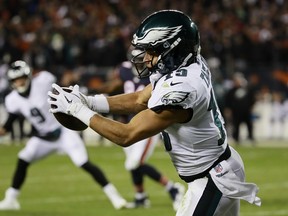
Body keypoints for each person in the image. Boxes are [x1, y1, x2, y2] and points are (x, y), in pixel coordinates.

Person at [48, 10, 261, 216]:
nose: (146, 57)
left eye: (153, 50)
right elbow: (139, 99)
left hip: (212, 179)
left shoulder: (183, 86)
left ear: (173, 48)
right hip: (221, 164)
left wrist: (77, 109)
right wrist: (90, 101)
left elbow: (127, 135)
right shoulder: (186, 63)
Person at [0, 60, 127, 211]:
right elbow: (8, 125)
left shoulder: (43, 81)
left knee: (83, 162)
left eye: (21, 77)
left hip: (63, 131)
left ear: (28, 76)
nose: (19, 82)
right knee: (23, 158)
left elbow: (62, 87)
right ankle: (11, 199)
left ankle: (115, 196)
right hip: (43, 137)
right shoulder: (12, 99)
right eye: (15, 79)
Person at [92, 49, 185, 211]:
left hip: (149, 122)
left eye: (144, 59)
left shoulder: (157, 71)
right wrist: (95, 93)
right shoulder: (124, 69)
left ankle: (172, 188)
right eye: (139, 59)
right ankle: (141, 196)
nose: (143, 62)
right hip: (131, 122)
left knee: (134, 163)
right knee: (133, 163)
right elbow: (116, 84)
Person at [224, 72, 257, 144]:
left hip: (246, 111)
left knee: (249, 124)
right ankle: (236, 138)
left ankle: (251, 137)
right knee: (236, 125)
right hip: (236, 111)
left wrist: (252, 107)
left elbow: (252, 99)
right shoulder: (231, 91)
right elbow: (228, 101)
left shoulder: (247, 89)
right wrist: (228, 109)